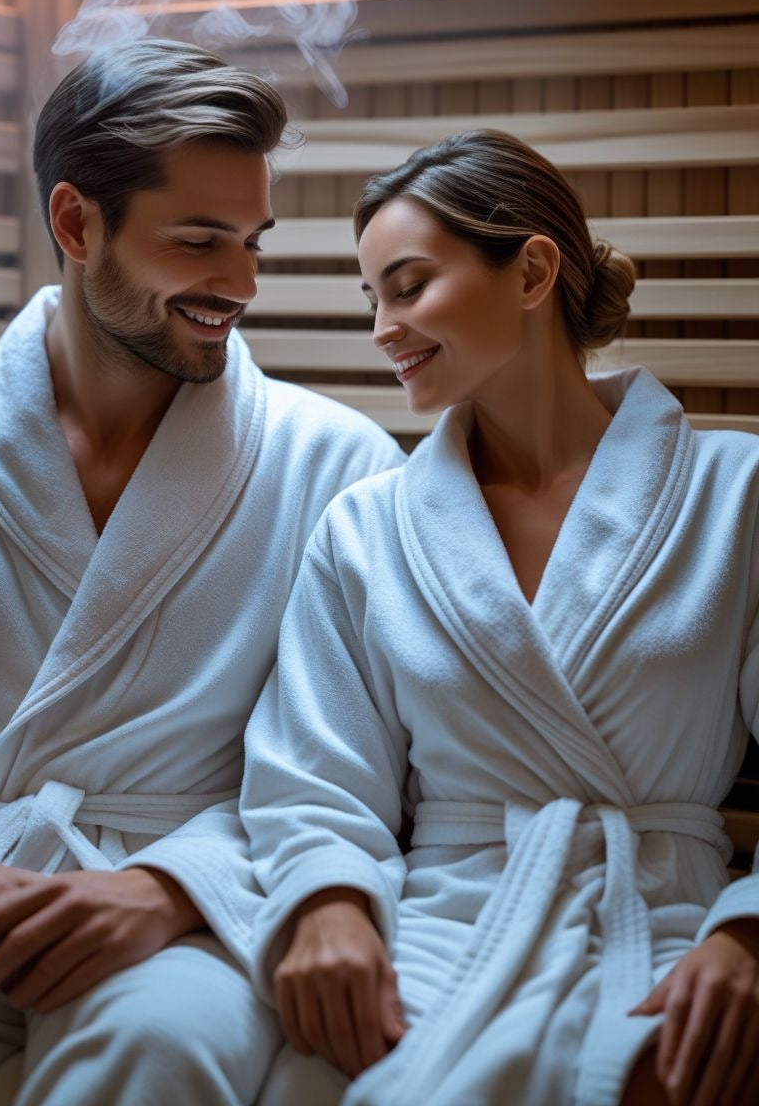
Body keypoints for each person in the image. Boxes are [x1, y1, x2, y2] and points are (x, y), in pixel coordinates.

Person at [0, 38, 403, 1106]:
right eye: (200, 241)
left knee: (158, 1051)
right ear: (74, 223)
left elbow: (355, 760)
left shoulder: (337, 467)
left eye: (253, 242)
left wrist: (166, 889)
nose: (240, 285)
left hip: (199, 905)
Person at [241, 128, 759, 1106]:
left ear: (529, 271)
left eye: (405, 286)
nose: (381, 327)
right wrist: (329, 905)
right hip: (436, 938)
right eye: (370, 300)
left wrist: (746, 936)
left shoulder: (734, 495)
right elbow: (309, 777)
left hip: (665, 936)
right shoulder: (364, 528)